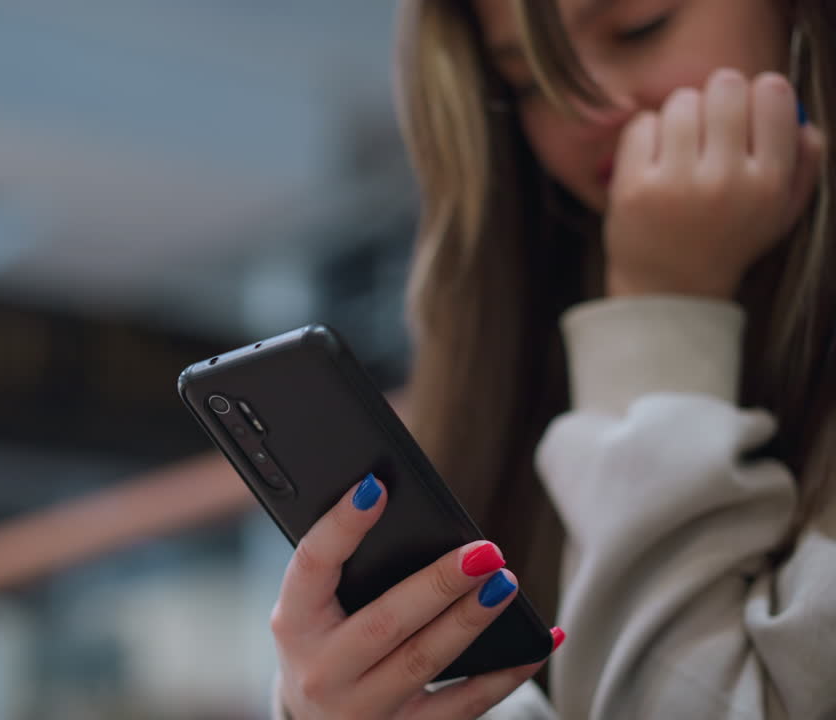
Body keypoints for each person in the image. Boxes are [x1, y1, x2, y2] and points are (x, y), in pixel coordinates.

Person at [269, 0, 834, 717]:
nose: (584, 106)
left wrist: (663, 307)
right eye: (528, 82)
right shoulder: (517, 327)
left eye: (640, 27)